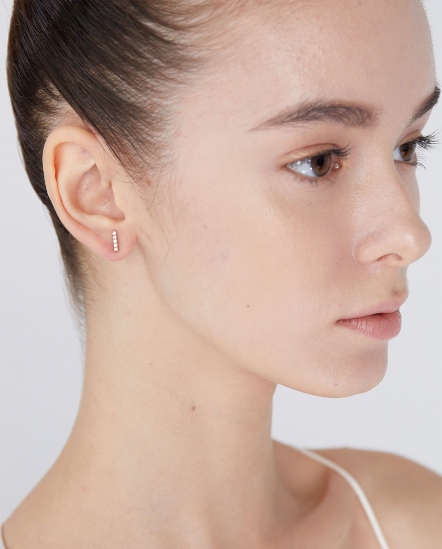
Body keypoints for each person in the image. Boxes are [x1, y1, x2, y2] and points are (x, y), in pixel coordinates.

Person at [2, 0, 442, 547]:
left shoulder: (419, 527)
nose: (410, 235)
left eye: (407, 147)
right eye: (319, 161)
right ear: (97, 193)